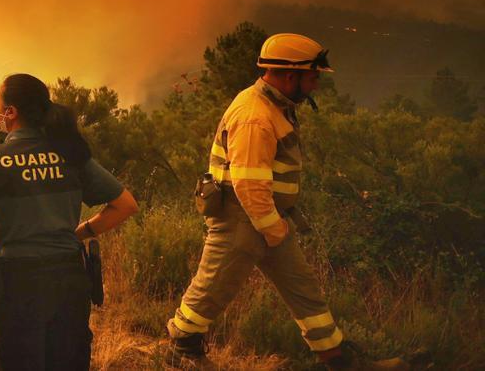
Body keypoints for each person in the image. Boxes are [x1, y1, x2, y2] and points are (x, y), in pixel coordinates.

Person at [166, 34, 409, 370]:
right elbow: (249, 185)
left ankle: (338, 359)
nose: (316, 84)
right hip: (242, 217)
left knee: (304, 290)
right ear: (290, 75)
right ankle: (181, 348)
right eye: (313, 76)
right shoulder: (255, 115)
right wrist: (274, 230)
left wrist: (275, 227)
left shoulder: (274, 105)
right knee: (213, 286)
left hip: (267, 218)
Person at [0, 73, 138, 370]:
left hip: (17, 282)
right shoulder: (70, 153)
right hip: (69, 277)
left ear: (11, 112)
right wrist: (80, 233)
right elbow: (125, 205)